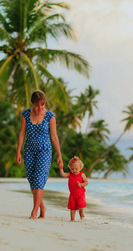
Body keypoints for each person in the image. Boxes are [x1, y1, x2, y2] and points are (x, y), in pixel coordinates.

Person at [16, 90, 63, 219]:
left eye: (42, 105)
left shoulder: (50, 116)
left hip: (44, 150)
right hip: (29, 150)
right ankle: (42, 207)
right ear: (32, 103)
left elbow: (54, 136)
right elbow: (22, 133)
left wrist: (59, 155)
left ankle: (34, 212)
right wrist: (18, 151)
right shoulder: (26, 114)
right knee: (32, 182)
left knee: (38, 180)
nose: (40, 108)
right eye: (37, 105)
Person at [58, 156, 88, 221]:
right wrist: (61, 168)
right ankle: (72, 219)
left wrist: (81, 184)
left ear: (80, 168)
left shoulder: (82, 175)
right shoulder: (70, 174)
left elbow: (86, 182)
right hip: (72, 194)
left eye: (76, 169)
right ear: (70, 167)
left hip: (80, 194)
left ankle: (81, 212)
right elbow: (63, 174)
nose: (74, 170)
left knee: (81, 204)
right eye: (72, 169)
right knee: (72, 207)